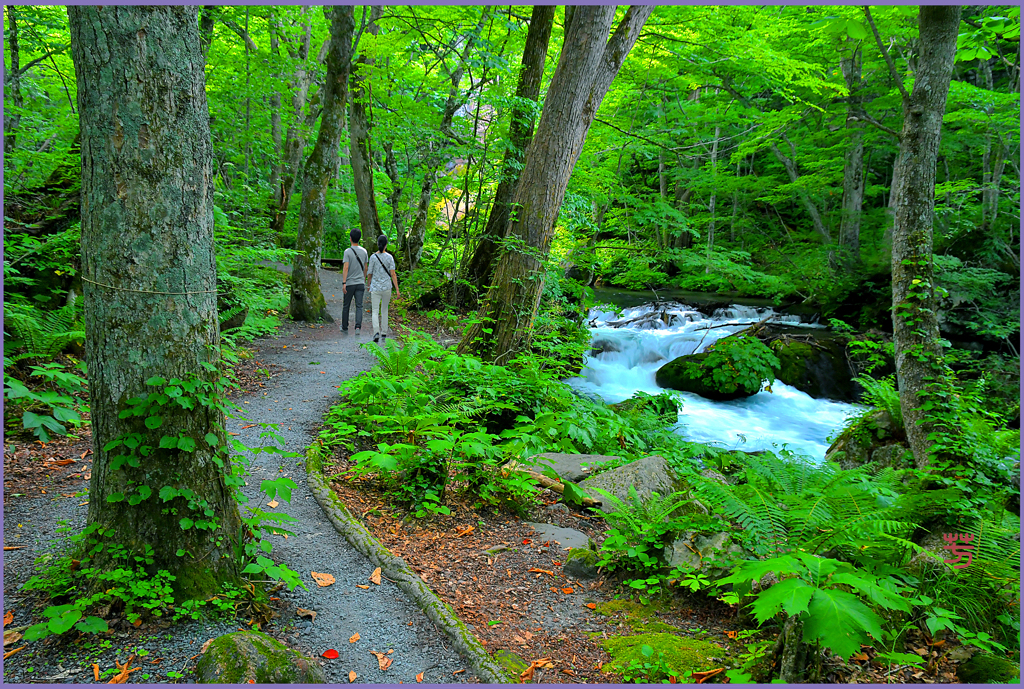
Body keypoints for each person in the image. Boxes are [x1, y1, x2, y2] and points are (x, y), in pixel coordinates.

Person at [365, 234, 400, 343]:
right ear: (386, 245)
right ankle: (384, 332)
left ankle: (376, 332)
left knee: (375, 311)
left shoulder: (373, 257)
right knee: (384, 310)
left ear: (377, 244)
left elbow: (369, 273)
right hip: (386, 287)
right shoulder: (389, 257)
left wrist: (368, 284)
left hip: (375, 287)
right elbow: (393, 274)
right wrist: (397, 289)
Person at [340, 229, 368, 333]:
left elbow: (346, 267)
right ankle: (357, 327)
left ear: (350, 238)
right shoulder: (364, 251)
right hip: (360, 282)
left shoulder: (347, 252)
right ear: (359, 238)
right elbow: (366, 267)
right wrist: (363, 279)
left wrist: (344, 282)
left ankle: (344, 326)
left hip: (350, 283)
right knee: (359, 306)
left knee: (346, 305)